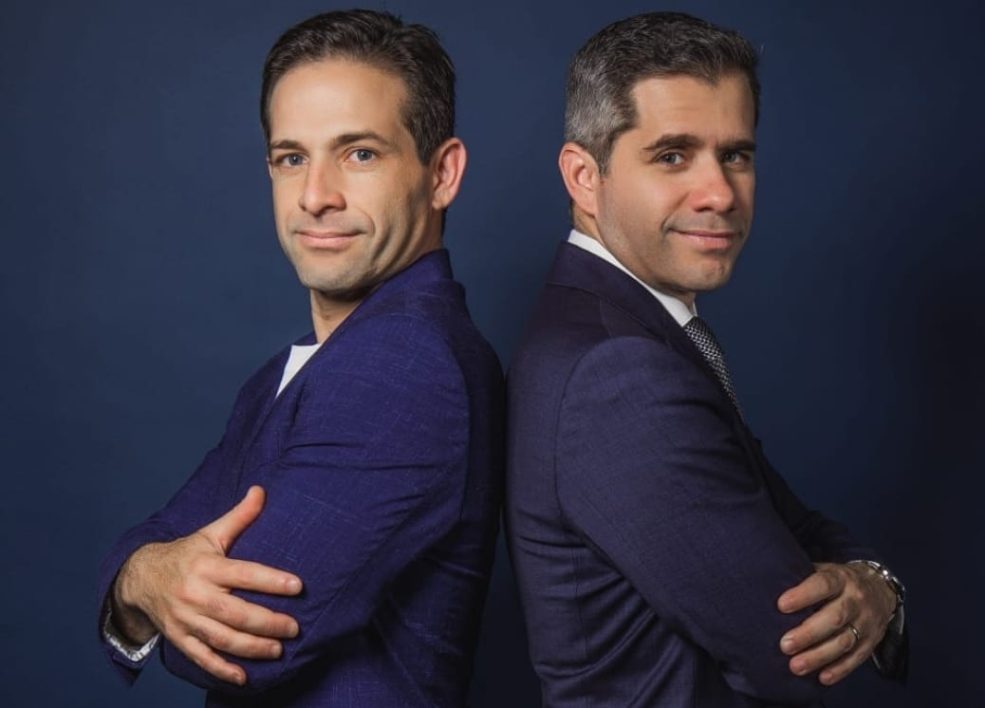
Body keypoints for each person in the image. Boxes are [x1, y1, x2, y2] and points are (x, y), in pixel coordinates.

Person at [97, 10, 504, 707]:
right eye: (292, 158)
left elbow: (237, 642)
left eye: (360, 154)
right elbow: (156, 543)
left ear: (442, 174)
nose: (316, 197)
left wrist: (147, 582)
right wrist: (145, 576)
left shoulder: (406, 367)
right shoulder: (291, 374)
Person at [505, 12, 907, 706]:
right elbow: (791, 654)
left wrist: (874, 582)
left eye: (737, 156)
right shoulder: (619, 375)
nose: (720, 193)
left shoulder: (639, 334)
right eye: (672, 156)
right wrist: (876, 589)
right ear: (584, 176)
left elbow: (796, 525)